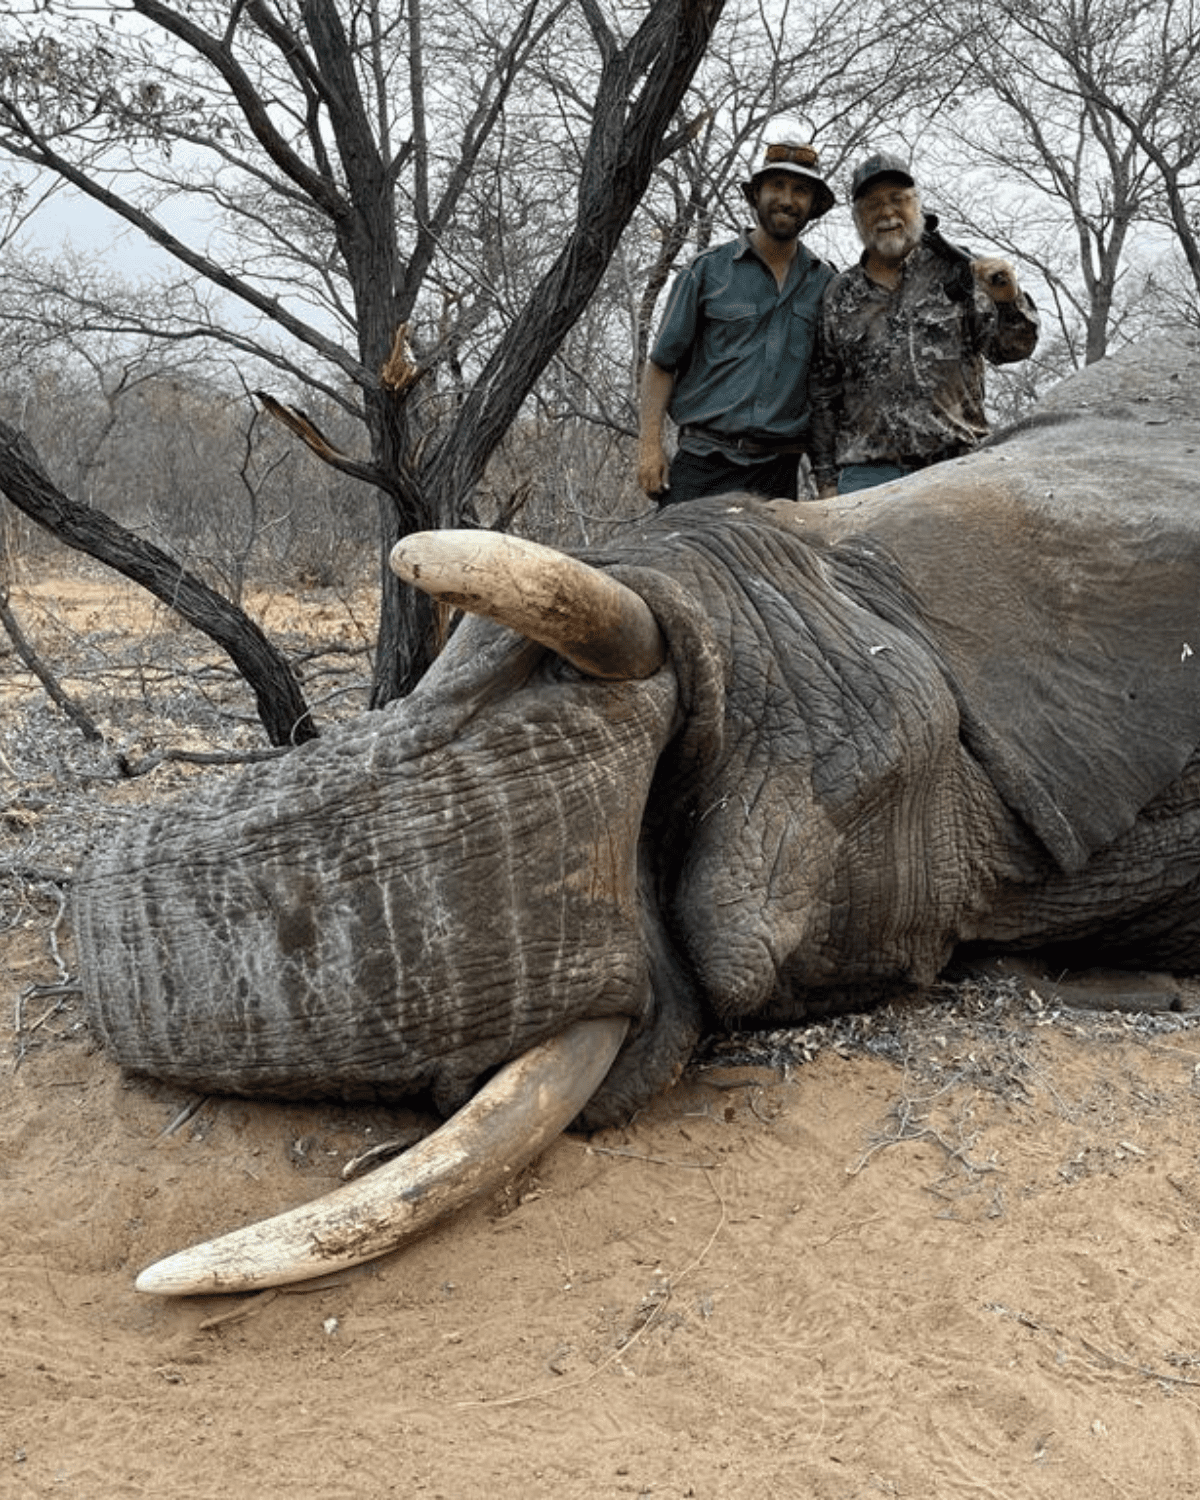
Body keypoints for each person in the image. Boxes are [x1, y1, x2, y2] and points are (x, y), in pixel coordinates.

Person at [809, 152, 1039, 496]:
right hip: (868, 475)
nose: (887, 213)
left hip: (958, 465)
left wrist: (1008, 300)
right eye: (873, 204)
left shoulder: (961, 270)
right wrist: (826, 480)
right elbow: (824, 394)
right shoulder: (838, 294)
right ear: (857, 219)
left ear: (917, 206)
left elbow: (1011, 349)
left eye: (898, 200)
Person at [637, 139, 837, 506]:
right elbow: (662, 364)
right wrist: (650, 448)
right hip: (703, 462)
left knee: (775, 565)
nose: (787, 200)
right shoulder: (707, 271)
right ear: (756, 193)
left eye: (800, 190)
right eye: (776, 186)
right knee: (676, 562)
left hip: (778, 474)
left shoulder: (824, 284)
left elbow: (828, 389)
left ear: (812, 207)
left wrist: (828, 479)